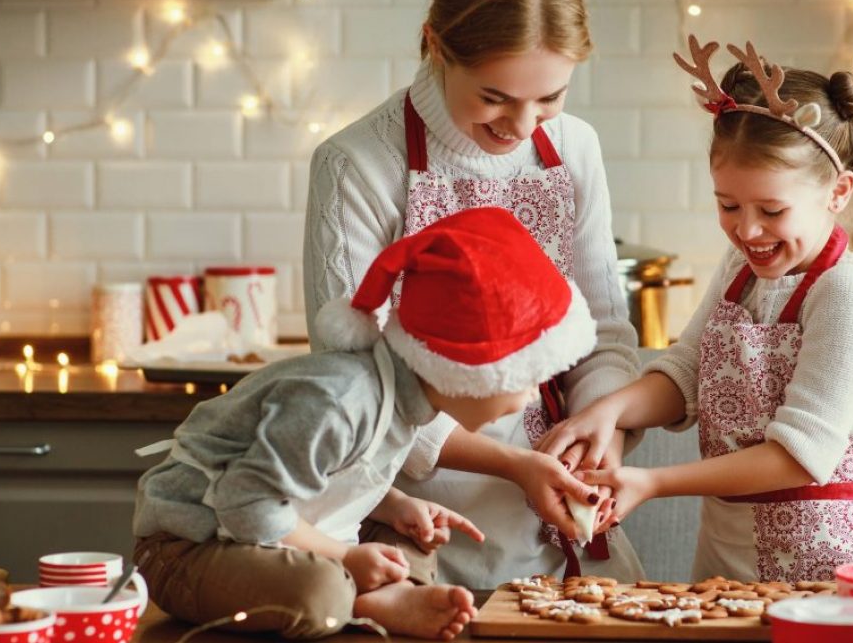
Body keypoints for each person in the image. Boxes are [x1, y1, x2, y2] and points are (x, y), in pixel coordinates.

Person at [302, 0, 643, 587]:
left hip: (565, 519)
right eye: (495, 97)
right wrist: (515, 466)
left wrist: (598, 437)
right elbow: (355, 384)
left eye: (550, 98)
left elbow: (605, 332)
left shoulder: (575, 148)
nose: (521, 123)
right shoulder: (357, 164)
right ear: (435, 45)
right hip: (416, 522)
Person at [133, 208, 602, 640]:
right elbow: (246, 505)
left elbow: (332, 476)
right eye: (527, 376)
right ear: (470, 373)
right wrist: (344, 558)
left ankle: (379, 595)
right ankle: (363, 599)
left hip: (278, 533)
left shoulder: (407, 399)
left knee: (410, 542)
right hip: (193, 544)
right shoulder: (341, 402)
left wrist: (393, 506)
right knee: (319, 592)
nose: (534, 393)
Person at [538, 36, 853, 583]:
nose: (747, 230)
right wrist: (605, 412)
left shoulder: (847, 294)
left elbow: (798, 457)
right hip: (724, 561)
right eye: (728, 205)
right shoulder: (740, 270)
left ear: (839, 192)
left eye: (772, 210)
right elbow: (687, 372)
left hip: (822, 569)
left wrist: (652, 481)